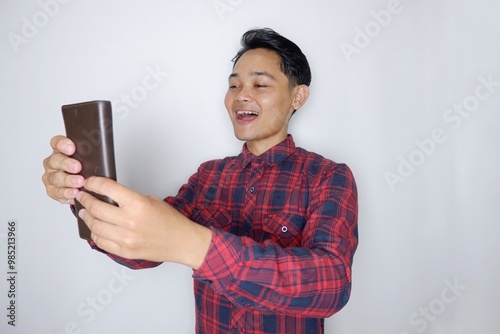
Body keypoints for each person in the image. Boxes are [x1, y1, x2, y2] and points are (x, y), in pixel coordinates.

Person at [42, 28, 358, 334]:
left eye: (259, 85)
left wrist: (195, 246)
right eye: (234, 86)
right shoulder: (208, 176)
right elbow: (142, 249)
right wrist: (81, 192)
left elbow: (331, 283)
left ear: (298, 96)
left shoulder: (328, 176)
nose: (241, 96)